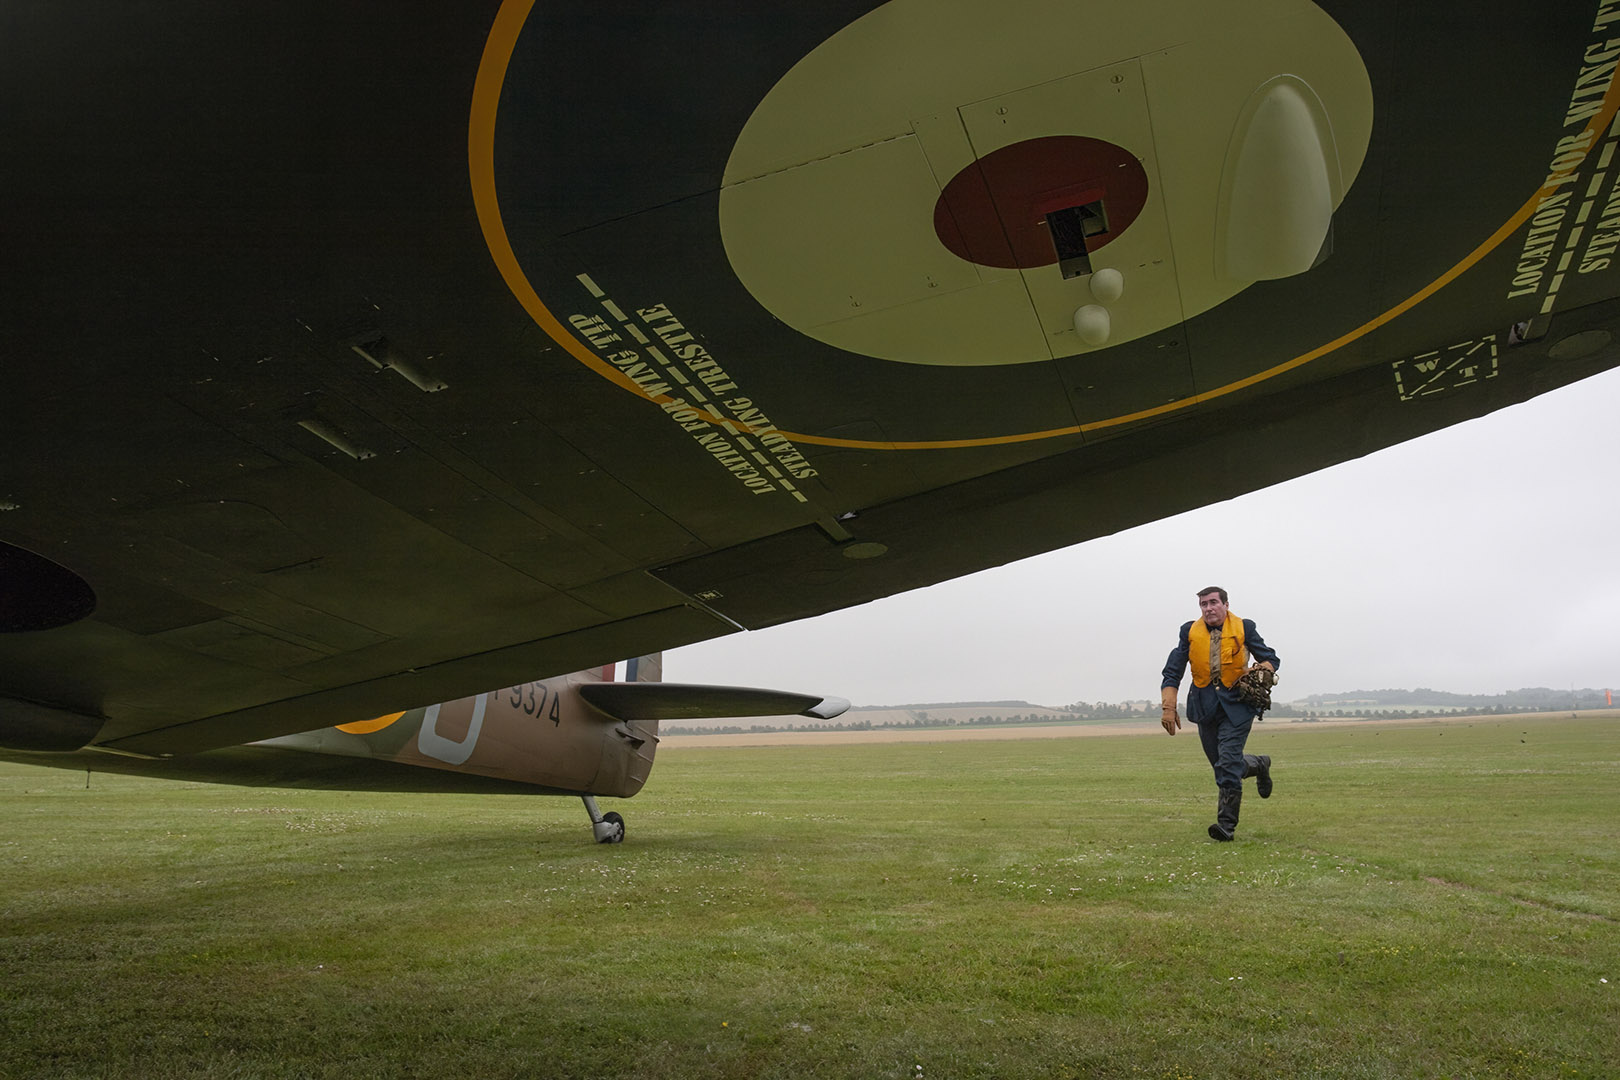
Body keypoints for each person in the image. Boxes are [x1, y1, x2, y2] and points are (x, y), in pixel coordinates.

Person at [1160, 586, 1280, 841]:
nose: (1208, 608)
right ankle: (1259, 764)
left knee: (1226, 766)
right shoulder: (1188, 632)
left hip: (1238, 705)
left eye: (1213, 602)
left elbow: (1270, 657)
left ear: (1226, 604)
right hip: (1204, 707)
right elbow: (1173, 670)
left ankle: (1226, 827)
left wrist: (1264, 668)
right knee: (1223, 765)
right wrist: (1168, 707)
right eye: (1204, 604)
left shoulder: (1244, 627)